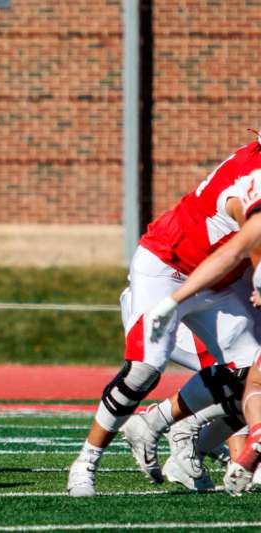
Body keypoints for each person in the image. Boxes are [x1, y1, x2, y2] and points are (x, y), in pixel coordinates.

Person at [67, 135, 261, 497]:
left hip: (220, 280)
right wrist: (174, 301)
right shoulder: (252, 182)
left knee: (253, 371)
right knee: (144, 368)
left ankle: (173, 430)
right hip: (168, 267)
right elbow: (242, 249)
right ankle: (86, 462)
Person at [144, 150, 261, 494]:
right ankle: (180, 430)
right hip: (187, 299)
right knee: (245, 377)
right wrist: (173, 301)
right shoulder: (245, 187)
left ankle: (185, 433)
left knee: (249, 379)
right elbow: (233, 253)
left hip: (210, 295)